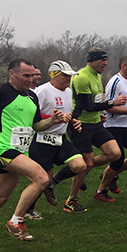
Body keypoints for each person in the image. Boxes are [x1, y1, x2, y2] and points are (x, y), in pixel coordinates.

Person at [0, 59, 69, 246]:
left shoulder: (32, 96)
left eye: (33, 75)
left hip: (19, 151)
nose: (31, 80)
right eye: (26, 76)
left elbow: (37, 126)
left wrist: (53, 120)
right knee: (41, 178)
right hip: (2, 149)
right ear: (11, 74)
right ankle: (16, 222)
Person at [27, 60, 87, 217]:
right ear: (54, 75)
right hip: (41, 140)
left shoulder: (68, 92)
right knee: (41, 180)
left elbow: (66, 115)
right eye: (65, 76)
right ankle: (28, 210)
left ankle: (53, 183)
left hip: (60, 139)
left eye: (70, 77)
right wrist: (54, 118)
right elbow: (31, 117)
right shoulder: (41, 92)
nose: (69, 80)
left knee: (80, 165)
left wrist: (73, 121)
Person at [67, 47, 125, 208]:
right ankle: (71, 199)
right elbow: (88, 105)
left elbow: (95, 102)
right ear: (92, 60)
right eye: (102, 60)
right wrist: (112, 103)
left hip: (95, 123)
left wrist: (99, 114)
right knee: (88, 162)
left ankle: (80, 171)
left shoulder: (97, 76)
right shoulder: (81, 77)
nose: (105, 63)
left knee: (114, 153)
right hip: (80, 124)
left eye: (106, 60)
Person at [94, 56, 127, 200]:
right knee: (117, 159)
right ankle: (100, 192)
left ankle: (110, 174)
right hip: (113, 126)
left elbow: (126, 104)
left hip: (126, 125)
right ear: (123, 67)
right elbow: (109, 108)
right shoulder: (115, 82)